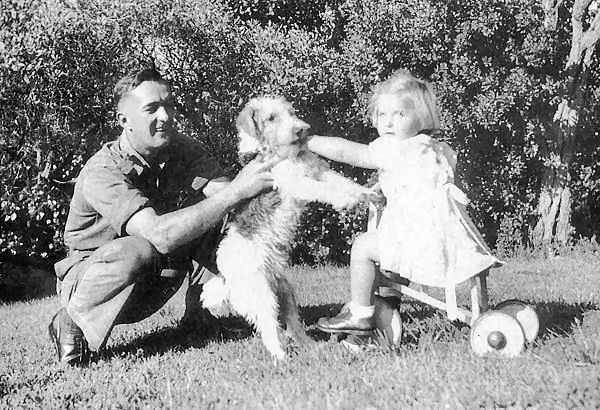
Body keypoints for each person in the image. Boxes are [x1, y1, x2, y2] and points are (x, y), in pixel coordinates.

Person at [49, 67, 276, 366]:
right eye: (152, 108)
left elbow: (225, 194)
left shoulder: (182, 149)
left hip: (157, 275)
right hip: (95, 283)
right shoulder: (101, 171)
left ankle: (201, 317)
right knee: (140, 246)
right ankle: (70, 322)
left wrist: (270, 174)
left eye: (169, 105)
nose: (166, 116)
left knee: (227, 219)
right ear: (124, 121)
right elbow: (160, 235)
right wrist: (235, 194)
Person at [308, 69, 502, 337]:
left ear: (420, 117)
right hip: (450, 242)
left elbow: (349, 152)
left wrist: (311, 141)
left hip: (420, 244)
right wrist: (388, 185)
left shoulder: (393, 148)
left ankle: (361, 313)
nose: (388, 123)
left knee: (364, 247)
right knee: (388, 242)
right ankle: (389, 302)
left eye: (399, 115)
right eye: (382, 115)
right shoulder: (436, 148)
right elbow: (421, 180)